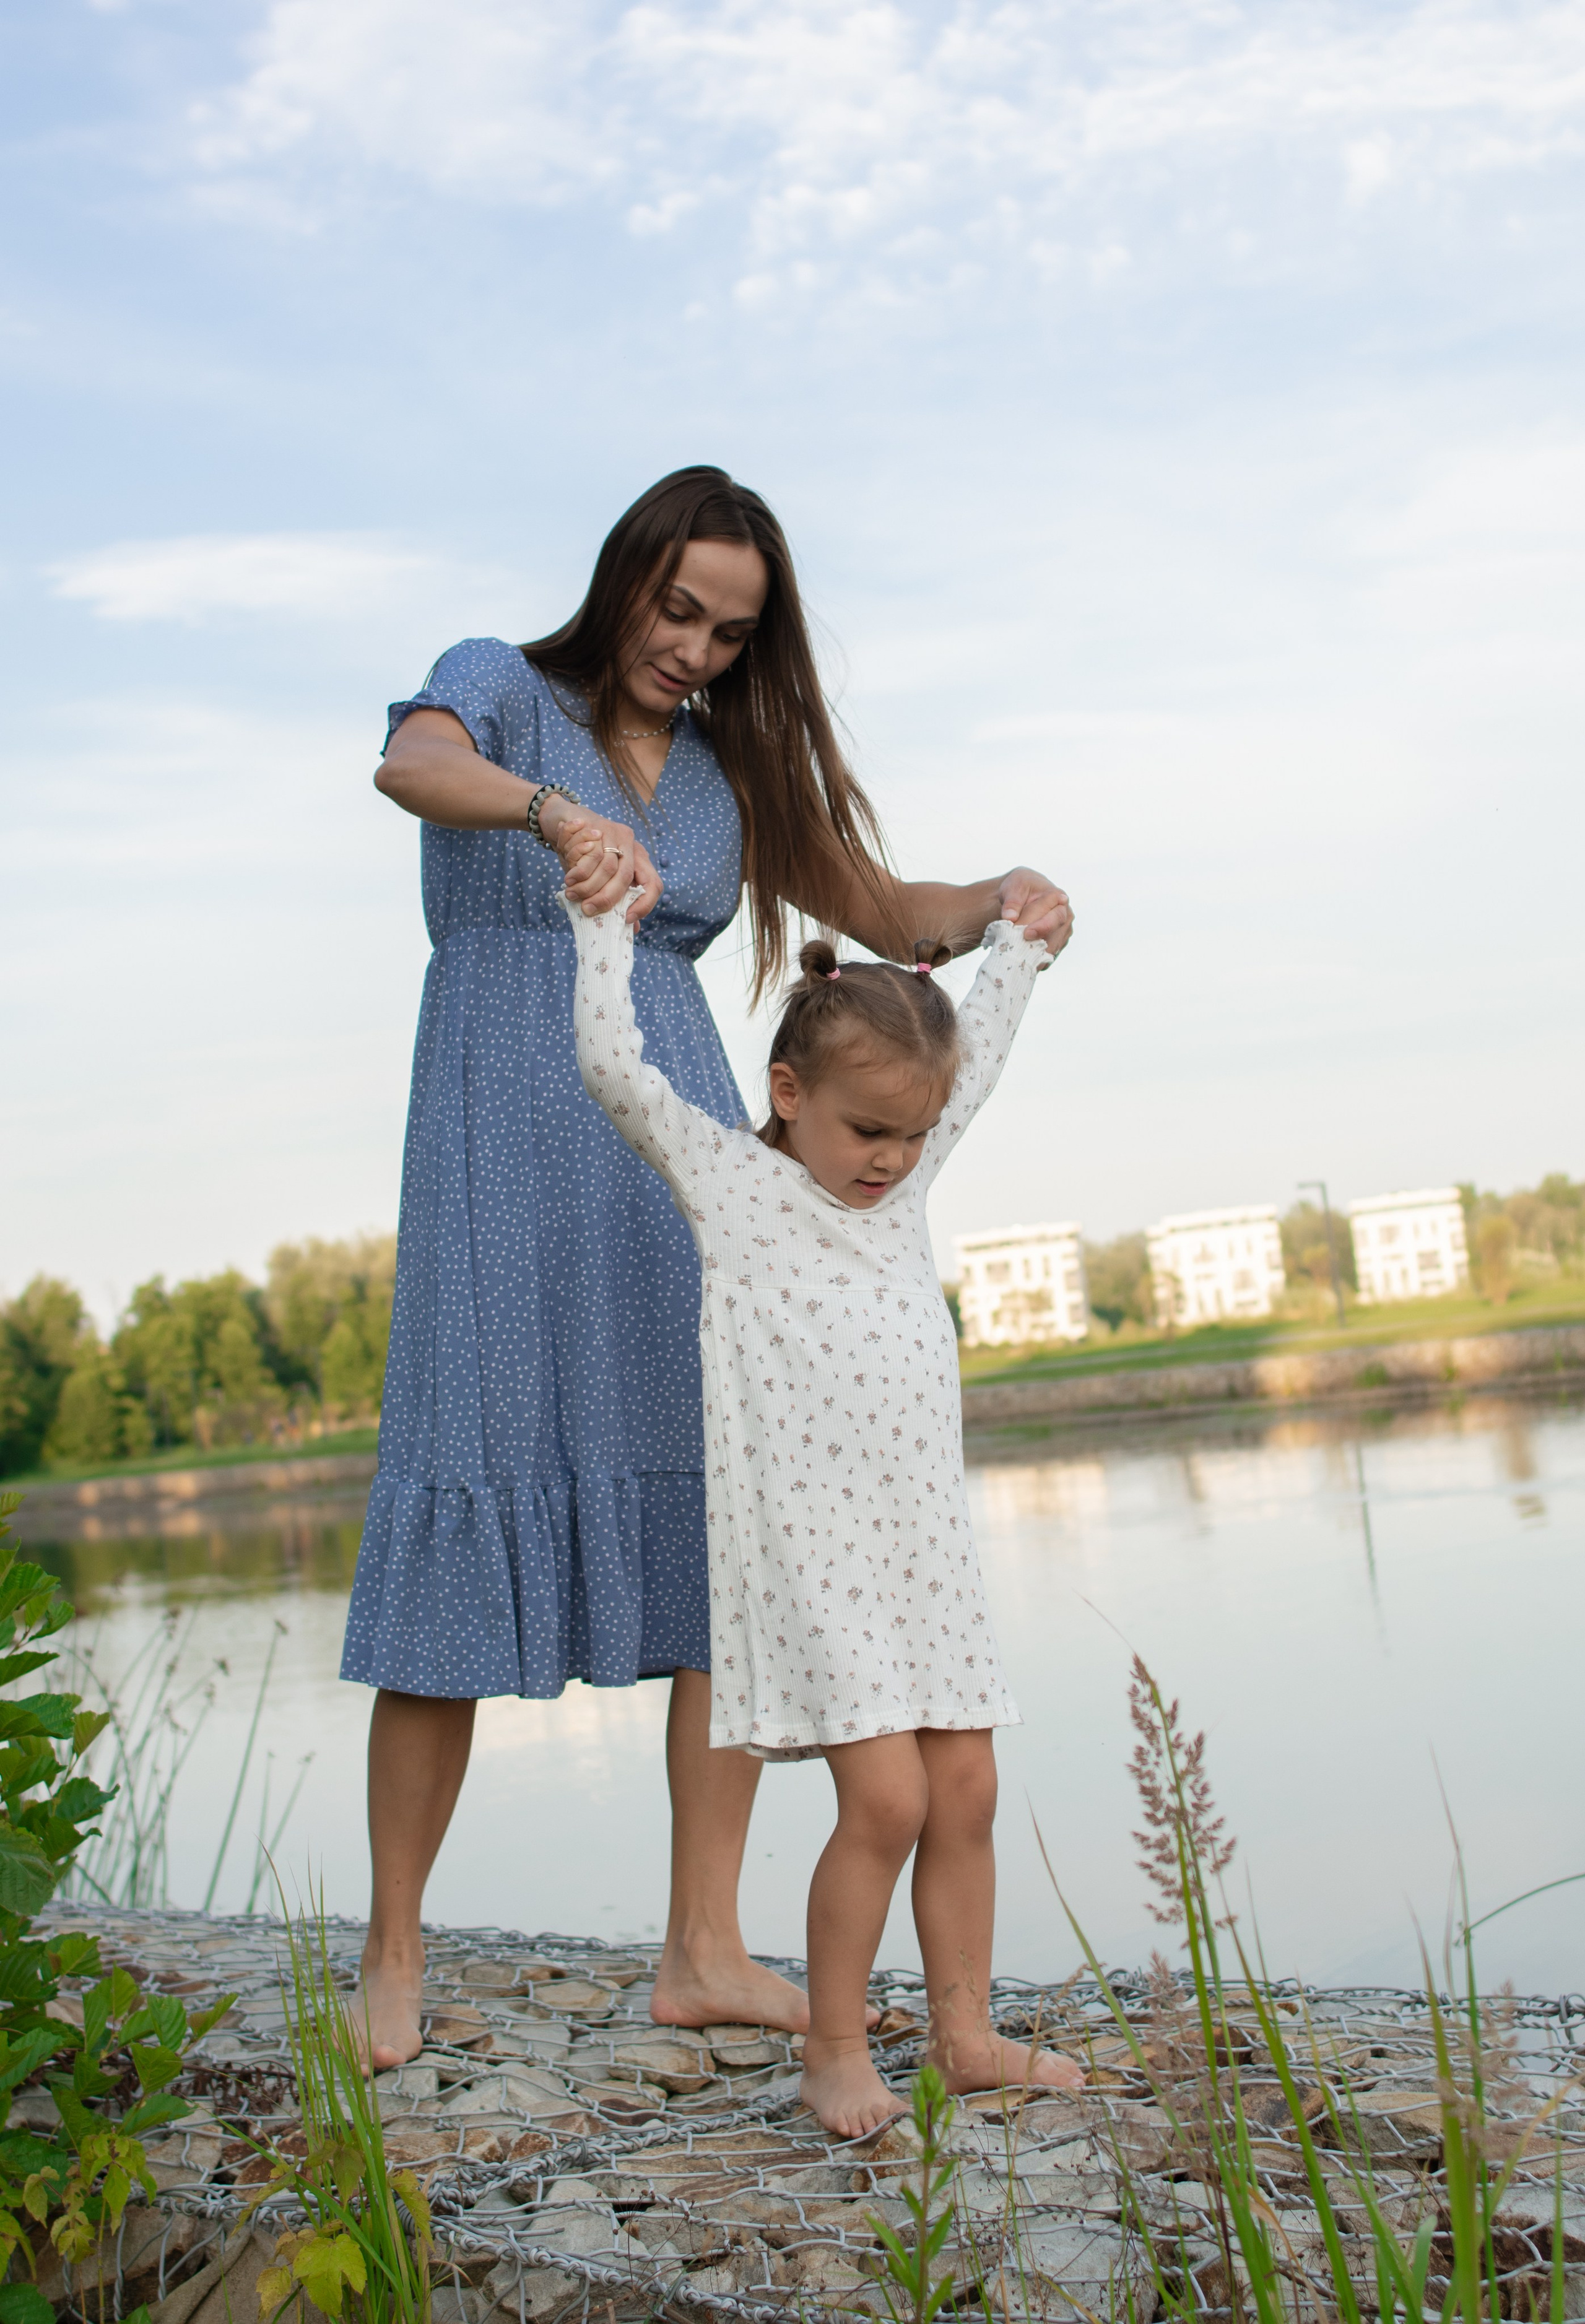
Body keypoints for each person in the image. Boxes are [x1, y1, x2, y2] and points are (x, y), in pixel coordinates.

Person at [349, 466, 1074, 2071]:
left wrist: (1006, 901)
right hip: (499, 1107)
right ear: (626, 578)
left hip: (678, 1141)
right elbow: (412, 763)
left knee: (705, 1512)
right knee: (463, 1480)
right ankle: (393, 1947)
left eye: (732, 632)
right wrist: (554, 815)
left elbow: (889, 906)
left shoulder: (727, 774)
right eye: (680, 609)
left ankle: (702, 1944)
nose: (696, 648)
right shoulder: (502, 686)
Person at [564, 885, 1084, 2136]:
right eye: (866, 1130)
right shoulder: (734, 1188)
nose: (891, 1158)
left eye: (910, 1137)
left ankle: (962, 2034)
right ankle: (834, 2051)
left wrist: (1020, 944)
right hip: (811, 1558)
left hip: (926, 1552)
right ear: (789, 1092)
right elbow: (613, 1067)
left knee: (964, 1789)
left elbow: (981, 1058)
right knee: (888, 1801)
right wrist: (602, 928)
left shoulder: (897, 1190)